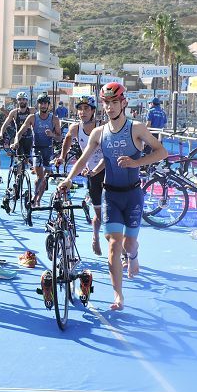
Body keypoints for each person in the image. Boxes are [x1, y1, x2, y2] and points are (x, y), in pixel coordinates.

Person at [58, 82, 167, 311]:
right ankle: (118, 296)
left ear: (123, 103)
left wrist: (136, 162)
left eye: (114, 102)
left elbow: (161, 151)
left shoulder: (136, 128)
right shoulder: (99, 133)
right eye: (106, 103)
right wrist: (69, 178)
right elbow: (83, 159)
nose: (110, 107)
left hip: (133, 194)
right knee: (114, 246)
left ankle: (134, 254)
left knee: (128, 244)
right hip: (111, 195)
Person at [59, 95, 104, 256]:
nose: (82, 112)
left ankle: (123, 253)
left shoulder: (102, 127)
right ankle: (95, 236)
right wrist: (62, 156)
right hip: (92, 173)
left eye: (86, 109)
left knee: (114, 214)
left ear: (93, 111)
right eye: (80, 109)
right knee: (98, 214)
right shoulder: (75, 128)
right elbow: (67, 140)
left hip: (108, 171)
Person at [12, 94, 61, 206]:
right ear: (38, 105)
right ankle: (34, 197)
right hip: (36, 150)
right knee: (40, 176)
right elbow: (20, 132)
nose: (43, 106)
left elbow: (59, 137)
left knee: (45, 178)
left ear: (49, 105)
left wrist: (52, 135)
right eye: (41, 103)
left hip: (48, 151)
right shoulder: (32, 117)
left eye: (45, 103)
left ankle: (38, 198)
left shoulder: (54, 119)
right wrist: (16, 142)